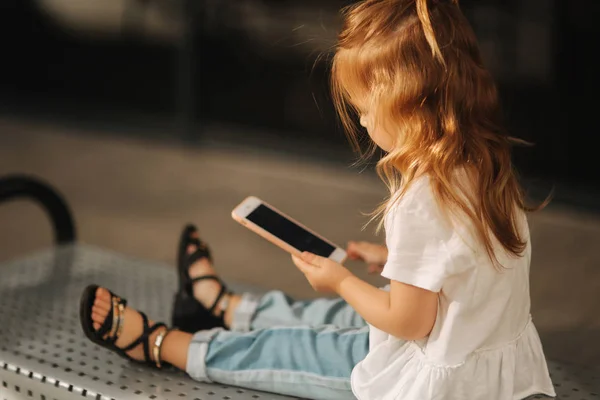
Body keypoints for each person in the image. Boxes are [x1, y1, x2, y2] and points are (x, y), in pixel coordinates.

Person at [78, 0, 556, 399]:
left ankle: (164, 344)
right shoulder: (483, 159)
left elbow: (409, 322)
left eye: (366, 110)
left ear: (410, 103)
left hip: (434, 380)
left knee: (294, 347)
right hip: (485, 362)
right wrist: (396, 260)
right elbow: (466, 263)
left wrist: (342, 282)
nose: (365, 124)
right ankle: (222, 305)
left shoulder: (420, 197)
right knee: (341, 314)